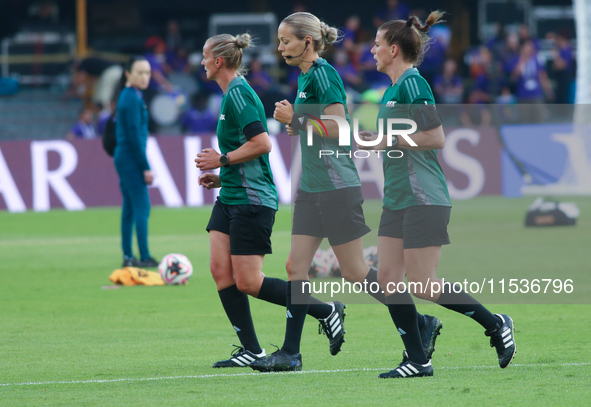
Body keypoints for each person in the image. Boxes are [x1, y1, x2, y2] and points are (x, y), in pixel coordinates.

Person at [250, 12, 442, 373]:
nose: (280, 47)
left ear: (307, 42)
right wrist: (301, 127)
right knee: (297, 266)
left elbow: (341, 128)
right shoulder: (306, 77)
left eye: (285, 40)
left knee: (356, 272)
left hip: (336, 186)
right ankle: (291, 353)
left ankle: (419, 323)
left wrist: (298, 120)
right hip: (313, 185)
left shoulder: (325, 75)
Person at [360, 11, 516, 379]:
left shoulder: (413, 84)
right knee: (387, 280)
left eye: (377, 45)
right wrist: (375, 141)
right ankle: (418, 359)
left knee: (423, 284)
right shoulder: (392, 90)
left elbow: (436, 137)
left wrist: (389, 140)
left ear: (394, 50)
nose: (372, 50)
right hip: (397, 198)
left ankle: (495, 324)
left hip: (423, 197)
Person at [195, 33, 346, 369]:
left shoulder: (239, 94)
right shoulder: (229, 94)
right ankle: (251, 349)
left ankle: (325, 310)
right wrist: (223, 177)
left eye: (204, 56)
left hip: (252, 199)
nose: (201, 62)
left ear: (218, 61)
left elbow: (263, 144)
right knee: (221, 271)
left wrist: (221, 161)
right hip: (231, 194)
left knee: (249, 281)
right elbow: (248, 156)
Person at [114, 56, 158, 268]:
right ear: (128, 74)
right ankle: (144, 256)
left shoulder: (129, 95)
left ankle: (128, 257)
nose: (144, 76)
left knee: (130, 208)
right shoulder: (132, 98)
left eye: (147, 72)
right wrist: (145, 167)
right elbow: (134, 136)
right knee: (142, 206)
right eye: (139, 72)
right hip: (131, 158)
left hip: (124, 156)